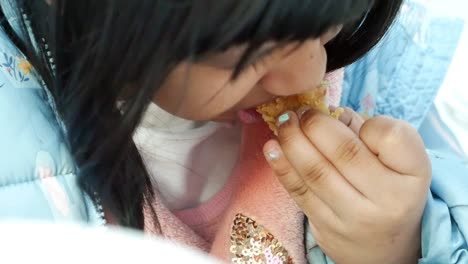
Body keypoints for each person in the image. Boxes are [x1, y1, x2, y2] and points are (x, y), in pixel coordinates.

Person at [0, 1, 467, 263]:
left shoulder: (375, 78)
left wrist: (400, 245)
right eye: (250, 55)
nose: (311, 74)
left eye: (329, 25)